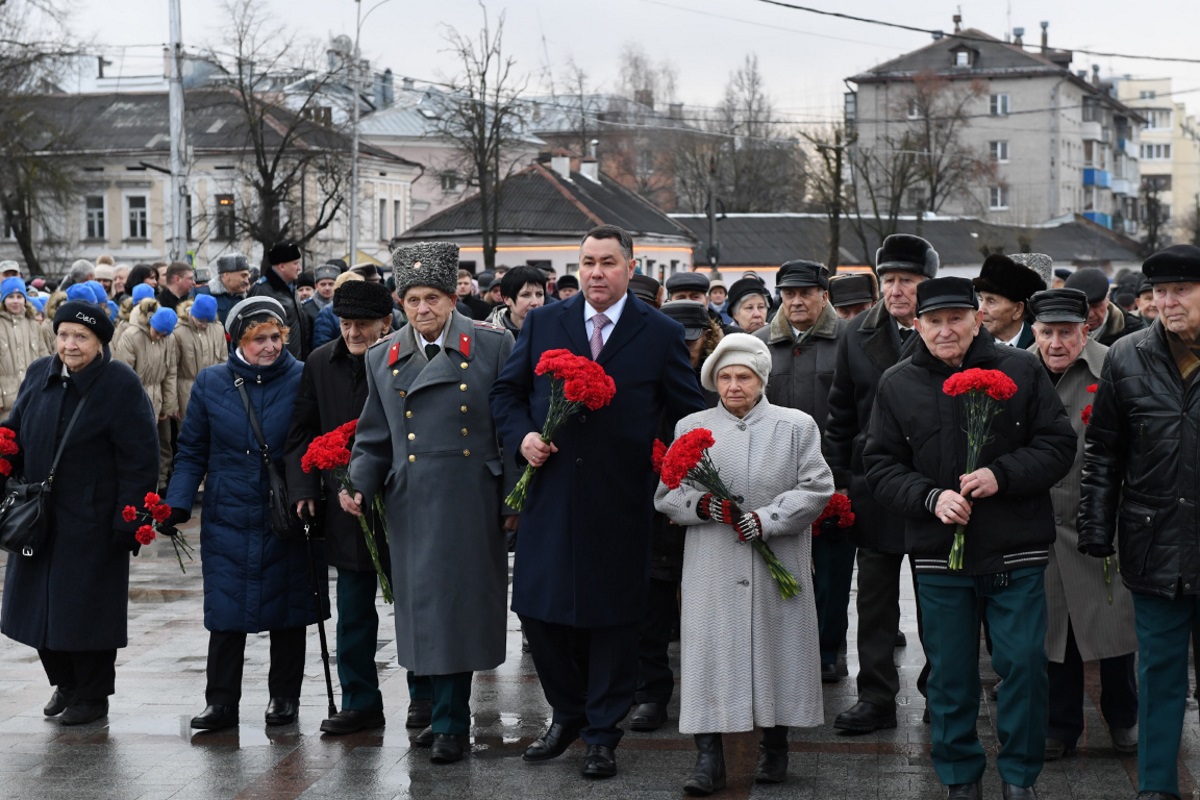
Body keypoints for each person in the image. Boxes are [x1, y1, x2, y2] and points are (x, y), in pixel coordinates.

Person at [490, 224, 705, 779]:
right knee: (538, 611)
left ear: (631, 269)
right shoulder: (543, 323)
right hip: (549, 493)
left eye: (608, 262)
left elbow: (687, 411)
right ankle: (568, 714)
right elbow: (507, 393)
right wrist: (523, 436)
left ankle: (602, 734)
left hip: (621, 497)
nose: (596, 273)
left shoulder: (657, 332)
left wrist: (694, 463)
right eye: (587, 262)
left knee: (613, 619)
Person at [864, 276, 1075, 800]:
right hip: (941, 555)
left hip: (1016, 548)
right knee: (951, 677)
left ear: (978, 318)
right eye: (933, 321)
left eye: (956, 317)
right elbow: (880, 464)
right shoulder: (898, 382)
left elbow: (1057, 444)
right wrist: (930, 498)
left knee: (1025, 666)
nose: (945, 330)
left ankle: (1020, 776)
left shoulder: (1020, 368)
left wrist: (1002, 474)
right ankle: (960, 775)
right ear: (917, 324)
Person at [343, 242, 516, 763]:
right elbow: (375, 436)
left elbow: (508, 425)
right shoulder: (383, 356)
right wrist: (357, 483)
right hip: (412, 501)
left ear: (452, 297)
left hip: (472, 498)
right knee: (423, 614)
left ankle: (450, 723)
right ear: (401, 301)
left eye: (434, 298)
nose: (423, 309)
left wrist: (513, 495)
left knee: (458, 612)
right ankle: (440, 716)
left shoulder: (493, 346)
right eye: (414, 299)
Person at [655, 333, 832, 794]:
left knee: (780, 650)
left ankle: (776, 745)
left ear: (761, 380)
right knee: (710, 654)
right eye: (726, 377)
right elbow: (668, 494)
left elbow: (817, 488)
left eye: (745, 377)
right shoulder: (690, 425)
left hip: (779, 561)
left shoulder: (796, 426)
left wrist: (768, 519)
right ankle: (707, 758)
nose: (734, 386)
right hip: (712, 564)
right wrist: (703, 506)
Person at [164, 296, 322, 731]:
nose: (270, 347)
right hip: (228, 511)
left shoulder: (303, 376)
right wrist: (176, 502)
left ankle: (283, 697)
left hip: (286, 510)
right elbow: (192, 448)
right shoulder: (212, 383)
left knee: (289, 609)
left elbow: (314, 439)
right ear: (238, 340)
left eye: (276, 337)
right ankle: (220, 703)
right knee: (226, 612)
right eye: (259, 340)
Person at [1078, 244, 1200, 800]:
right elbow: (1104, 452)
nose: (1168, 303)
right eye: (1159, 293)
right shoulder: (1127, 356)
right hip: (1153, 544)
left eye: (1182, 291)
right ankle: (1155, 789)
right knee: (1158, 676)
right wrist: (1096, 530)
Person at [0, 301, 159, 726]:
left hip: (92, 519)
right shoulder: (40, 373)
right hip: (38, 517)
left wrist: (131, 519)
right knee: (34, 609)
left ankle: (91, 695)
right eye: (64, 335)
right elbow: (13, 433)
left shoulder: (121, 384)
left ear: (100, 342)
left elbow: (141, 458)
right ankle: (65, 682)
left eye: (81, 337)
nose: (70, 345)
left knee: (86, 612)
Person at [825, 233, 937, 734]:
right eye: (888, 280)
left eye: (907, 280)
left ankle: (942, 692)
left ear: (926, 284)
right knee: (873, 602)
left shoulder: (944, 330)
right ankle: (875, 696)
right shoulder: (857, 333)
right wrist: (839, 482)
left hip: (933, 489)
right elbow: (839, 415)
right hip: (872, 486)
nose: (896, 290)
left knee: (938, 599)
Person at [1025, 288, 1138, 762]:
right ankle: (1059, 725)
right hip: (1039, 528)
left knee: (1112, 629)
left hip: (1098, 524)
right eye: (1047, 332)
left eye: (1066, 333)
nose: (1056, 343)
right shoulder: (1017, 369)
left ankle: (1125, 717)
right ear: (1034, 332)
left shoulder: (1115, 366)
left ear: (1085, 331)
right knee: (1053, 636)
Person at [285, 280, 397, 736]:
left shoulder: (401, 358)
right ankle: (360, 700)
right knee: (352, 611)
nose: (353, 334)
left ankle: (426, 696)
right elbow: (302, 431)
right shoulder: (319, 362)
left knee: (412, 606)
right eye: (346, 324)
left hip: (399, 500)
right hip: (346, 504)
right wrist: (304, 487)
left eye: (363, 326)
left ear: (386, 324)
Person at [754, 260, 850, 684]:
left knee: (831, 571)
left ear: (823, 295)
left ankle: (829, 650)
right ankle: (781, 651)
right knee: (776, 567)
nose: (795, 301)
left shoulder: (848, 340)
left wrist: (845, 475)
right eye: (788, 293)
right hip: (772, 478)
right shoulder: (758, 344)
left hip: (832, 474)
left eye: (805, 293)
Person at [629, 299, 723, 734]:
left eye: (693, 339)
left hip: (708, 509)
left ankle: (714, 691)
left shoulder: (722, 382)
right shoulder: (647, 372)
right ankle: (651, 692)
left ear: (707, 336)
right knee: (652, 605)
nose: (687, 348)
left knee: (710, 609)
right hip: (653, 506)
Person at [114, 297, 179, 490]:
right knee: (137, 445)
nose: (159, 337)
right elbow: (124, 375)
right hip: (138, 396)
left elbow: (170, 372)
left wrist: (169, 404)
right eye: (157, 332)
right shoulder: (131, 336)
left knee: (163, 443)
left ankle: (160, 482)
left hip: (157, 394)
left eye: (164, 335)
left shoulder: (169, 339)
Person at [0, 277, 54, 414]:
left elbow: (44, 359)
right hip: (6, 401)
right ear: (3, 299)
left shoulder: (33, 325)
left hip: (32, 396)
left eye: (19, 296)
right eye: (11, 296)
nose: (15, 301)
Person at [250, 242, 311, 359]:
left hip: (295, 363)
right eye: (295, 264)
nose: (299, 268)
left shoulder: (292, 288)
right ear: (282, 266)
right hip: (276, 364)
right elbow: (254, 331)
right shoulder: (262, 289)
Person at [972, 255, 1046, 348]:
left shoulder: (1041, 346)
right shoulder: (971, 346)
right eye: (981, 299)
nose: (981, 310)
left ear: (1017, 310)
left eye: (991, 301)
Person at [173, 295, 228, 422]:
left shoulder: (218, 329)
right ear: (193, 314)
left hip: (214, 389)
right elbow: (172, 369)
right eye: (200, 320)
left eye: (208, 321)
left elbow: (224, 362)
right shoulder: (178, 332)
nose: (204, 325)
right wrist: (172, 402)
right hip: (186, 391)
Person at [1064, 267, 1144, 346]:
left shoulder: (1133, 333)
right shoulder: (1058, 330)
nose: (1090, 314)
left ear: (1108, 298)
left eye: (1096, 306)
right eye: (1083, 307)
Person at [487, 265, 546, 337]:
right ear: (507, 299)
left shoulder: (554, 329)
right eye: (526, 295)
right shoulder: (489, 333)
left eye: (539, 294)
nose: (535, 302)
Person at [211, 254, 252, 325]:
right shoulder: (202, 294)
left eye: (247, 276)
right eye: (243, 276)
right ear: (226, 275)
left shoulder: (249, 298)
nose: (247, 281)